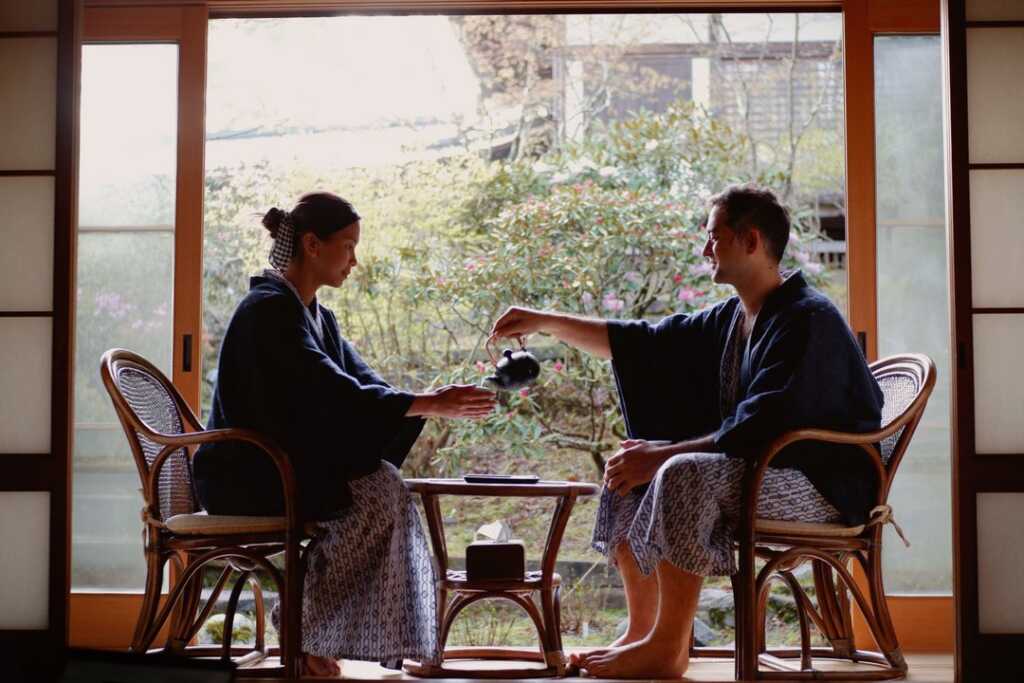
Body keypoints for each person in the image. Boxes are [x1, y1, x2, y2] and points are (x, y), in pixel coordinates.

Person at [489, 185, 883, 678]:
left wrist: (662, 456)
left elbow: (765, 422)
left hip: (820, 487)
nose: (704, 249)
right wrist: (546, 322)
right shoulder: (734, 317)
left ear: (751, 240)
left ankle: (669, 645)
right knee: (630, 467)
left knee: (678, 471)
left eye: (713, 237)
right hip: (761, 472)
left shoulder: (808, 319)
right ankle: (641, 631)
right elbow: (645, 345)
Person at [194, 191, 496, 677]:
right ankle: (305, 631)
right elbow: (329, 390)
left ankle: (311, 630)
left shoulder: (317, 316)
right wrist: (427, 403)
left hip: (285, 470)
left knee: (383, 489)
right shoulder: (266, 310)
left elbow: (364, 384)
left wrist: (429, 400)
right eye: (349, 246)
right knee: (376, 493)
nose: (355, 261)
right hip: (248, 475)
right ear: (312, 245)